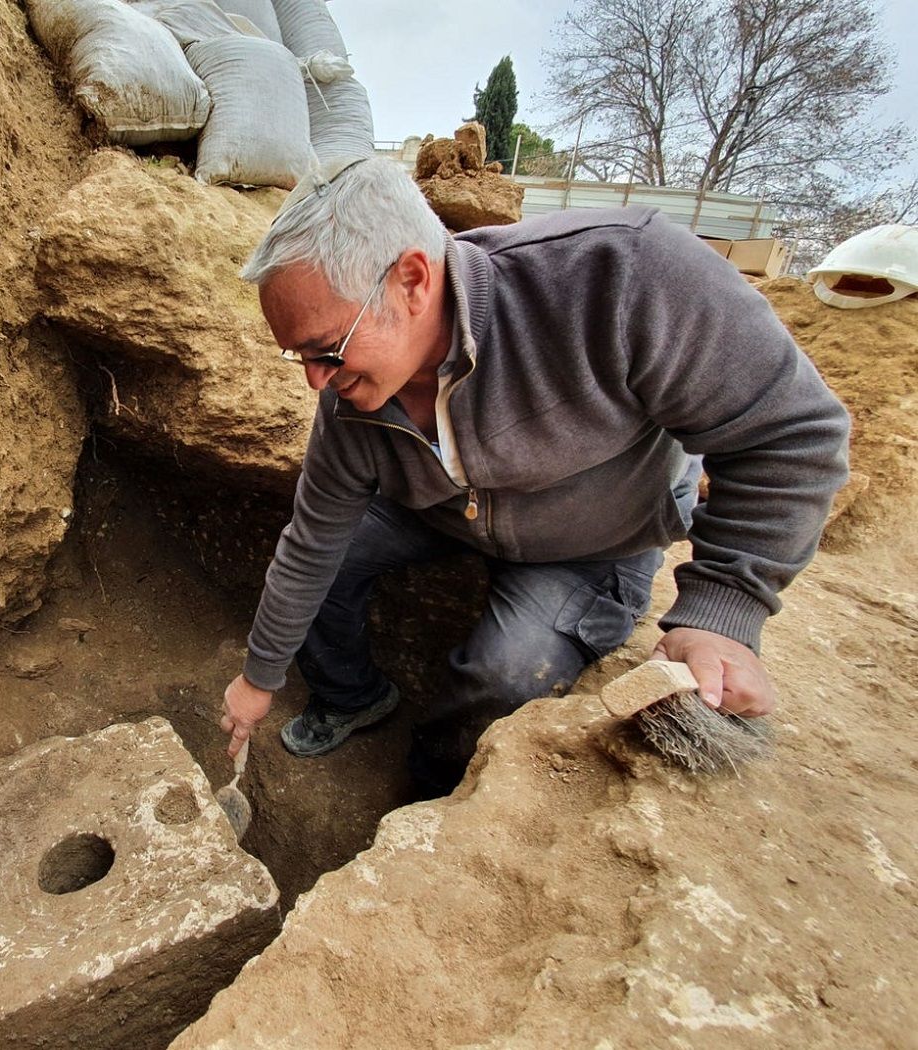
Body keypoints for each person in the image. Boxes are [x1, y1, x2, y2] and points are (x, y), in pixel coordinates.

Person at [218, 157, 850, 798]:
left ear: (412, 281)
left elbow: (790, 435)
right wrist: (259, 678)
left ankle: (433, 796)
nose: (315, 381)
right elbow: (311, 543)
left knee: (506, 676)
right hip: (439, 510)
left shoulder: (624, 277)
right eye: (298, 356)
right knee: (331, 566)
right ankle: (352, 696)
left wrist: (723, 612)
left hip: (594, 540)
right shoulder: (350, 395)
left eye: (326, 349)